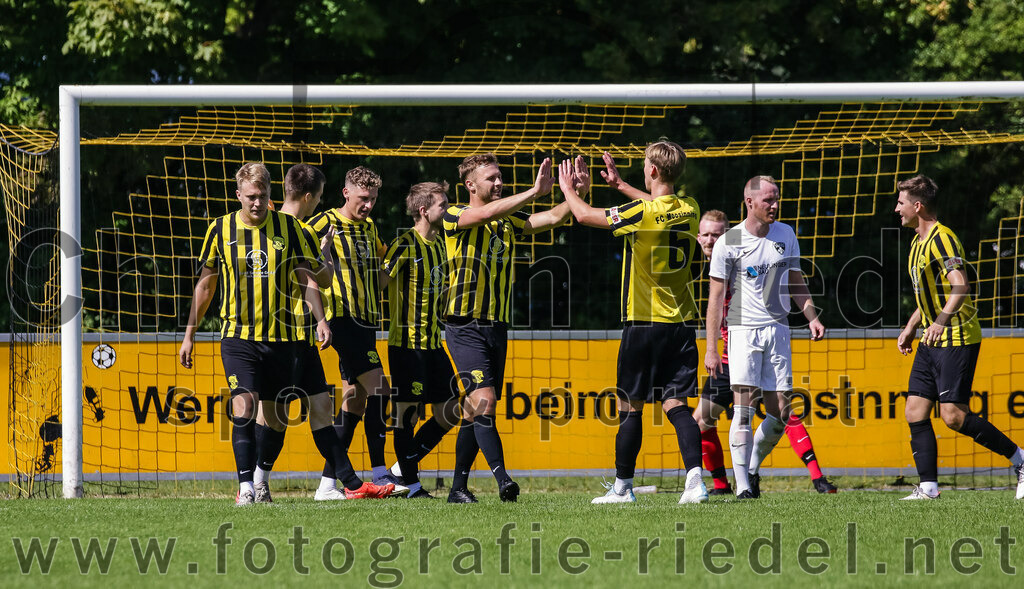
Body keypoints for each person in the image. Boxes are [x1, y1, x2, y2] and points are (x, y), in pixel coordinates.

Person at [178, 162, 393, 505]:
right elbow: (206, 284)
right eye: (250, 197)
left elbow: (312, 278)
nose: (257, 203)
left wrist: (321, 316)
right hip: (240, 337)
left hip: (288, 337)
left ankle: (339, 484)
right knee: (245, 404)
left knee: (301, 412)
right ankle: (247, 486)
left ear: (270, 196)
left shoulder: (291, 228)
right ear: (239, 196)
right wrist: (189, 332)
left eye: (263, 196)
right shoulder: (219, 229)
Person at [557, 141, 708, 505]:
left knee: (630, 406)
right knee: (677, 406)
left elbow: (583, 216)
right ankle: (695, 483)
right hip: (683, 324)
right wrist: (622, 186)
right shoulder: (690, 208)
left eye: (645, 165)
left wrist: (569, 190)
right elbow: (659, 208)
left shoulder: (641, 212)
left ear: (653, 171)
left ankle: (623, 488)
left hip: (643, 323)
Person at [443, 153, 572, 503]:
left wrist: (572, 193)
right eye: (491, 178)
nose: (499, 183)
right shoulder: (454, 214)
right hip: (463, 324)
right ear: (470, 185)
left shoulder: (507, 221)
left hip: (496, 327)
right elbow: (483, 213)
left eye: (500, 177)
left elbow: (553, 217)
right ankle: (503, 480)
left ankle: (457, 488)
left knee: (473, 408)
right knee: (485, 402)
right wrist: (533, 192)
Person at [894, 174, 1024, 500]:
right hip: (931, 337)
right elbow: (929, 295)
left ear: (917, 205)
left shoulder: (943, 238)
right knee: (914, 410)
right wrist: (913, 326)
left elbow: (960, 285)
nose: (897, 208)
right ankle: (928, 488)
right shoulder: (916, 243)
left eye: (901, 202)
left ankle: (1020, 459)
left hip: (957, 336)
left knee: (952, 416)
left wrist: (939, 321)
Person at [695, 210, 836, 495]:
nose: (712, 240)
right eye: (707, 235)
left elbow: (778, 278)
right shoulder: (701, 268)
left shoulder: (742, 256)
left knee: (779, 410)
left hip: (753, 346)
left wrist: (808, 315)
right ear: (699, 238)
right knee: (700, 421)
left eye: (718, 234)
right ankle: (724, 485)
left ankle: (807, 476)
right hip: (725, 359)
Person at [308, 166, 406, 496]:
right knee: (381, 389)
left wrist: (395, 262)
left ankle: (326, 485)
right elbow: (298, 248)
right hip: (340, 317)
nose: (368, 205)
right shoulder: (324, 222)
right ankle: (379, 472)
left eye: (374, 199)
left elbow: (379, 276)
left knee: (356, 399)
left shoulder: (370, 228)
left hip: (366, 321)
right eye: (363, 198)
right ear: (346, 193)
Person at [378, 181, 462, 499]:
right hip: (406, 346)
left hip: (432, 343)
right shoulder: (404, 244)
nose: (448, 209)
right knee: (407, 415)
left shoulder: (441, 244)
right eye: (443, 205)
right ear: (424, 211)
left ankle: (400, 471)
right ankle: (411, 485)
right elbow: (379, 285)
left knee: (452, 409)